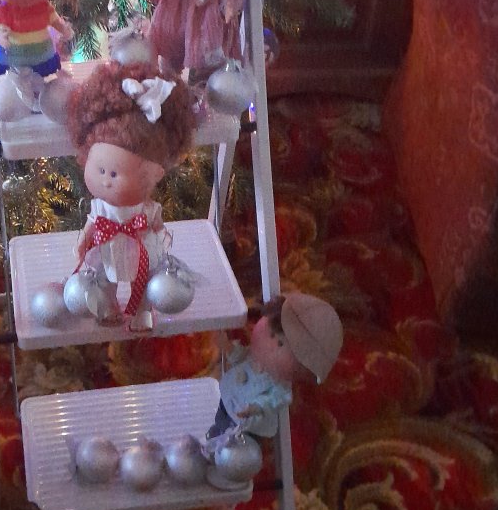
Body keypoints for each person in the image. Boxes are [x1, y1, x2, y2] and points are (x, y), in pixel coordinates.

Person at [66, 60, 195, 331]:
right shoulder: (100, 207)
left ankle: (142, 310)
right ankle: (108, 306)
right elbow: (93, 222)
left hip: (141, 246)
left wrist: (161, 236)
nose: (106, 180)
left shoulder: (147, 209)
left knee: (144, 278)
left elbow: (156, 224)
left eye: (114, 174)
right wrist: (83, 240)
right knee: (105, 278)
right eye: (100, 170)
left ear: (155, 173)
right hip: (108, 248)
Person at [207, 292, 344, 445]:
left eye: (280, 344)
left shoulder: (280, 389)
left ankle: (222, 447)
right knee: (217, 419)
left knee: (235, 443)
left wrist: (256, 407)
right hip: (228, 396)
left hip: (247, 422)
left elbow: (272, 401)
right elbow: (239, 358)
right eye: (271, 334)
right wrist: (227, 347)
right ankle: (212, 435)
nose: (270, 345)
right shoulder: (252, 356)